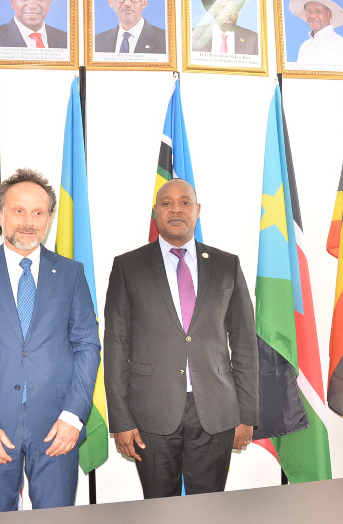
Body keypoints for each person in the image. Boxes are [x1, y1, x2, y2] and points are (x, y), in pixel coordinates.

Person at [0, 168, 100, 513]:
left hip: (57, 428)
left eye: (38, 212)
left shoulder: (71, 274)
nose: (28, 221)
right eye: (18, 210)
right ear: (0, 214)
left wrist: (74, 416)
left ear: (48, 218)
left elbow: (87, 346)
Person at [103, 178, 258, 498]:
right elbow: (117, 346)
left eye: (185, 202)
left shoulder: (227, 264)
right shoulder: (127, 266)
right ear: (155, 212)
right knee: (160, 509)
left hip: (216, 411)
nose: (176, 209)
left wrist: (247, 413)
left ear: (197, 210)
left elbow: (244, 343)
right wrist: (120, 419)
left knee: (209, 508)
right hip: (150, 413)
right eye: (167, 203)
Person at [94, 0, 166, 54]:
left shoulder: (166, 40)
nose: (127, 3)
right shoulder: (96, 42)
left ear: (144, 2)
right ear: (110, 1)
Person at [289, 0, 343, 69]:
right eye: (309, 11)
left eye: (318, 11)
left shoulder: (342, 46)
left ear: (329, 14)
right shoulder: (305, 46)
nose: (312, 16)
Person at [191, 0, 258, 55]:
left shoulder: (253, 39)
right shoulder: (194, 35)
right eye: (223, 8)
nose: (228, 13)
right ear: (213, 10)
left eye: (232, 8)